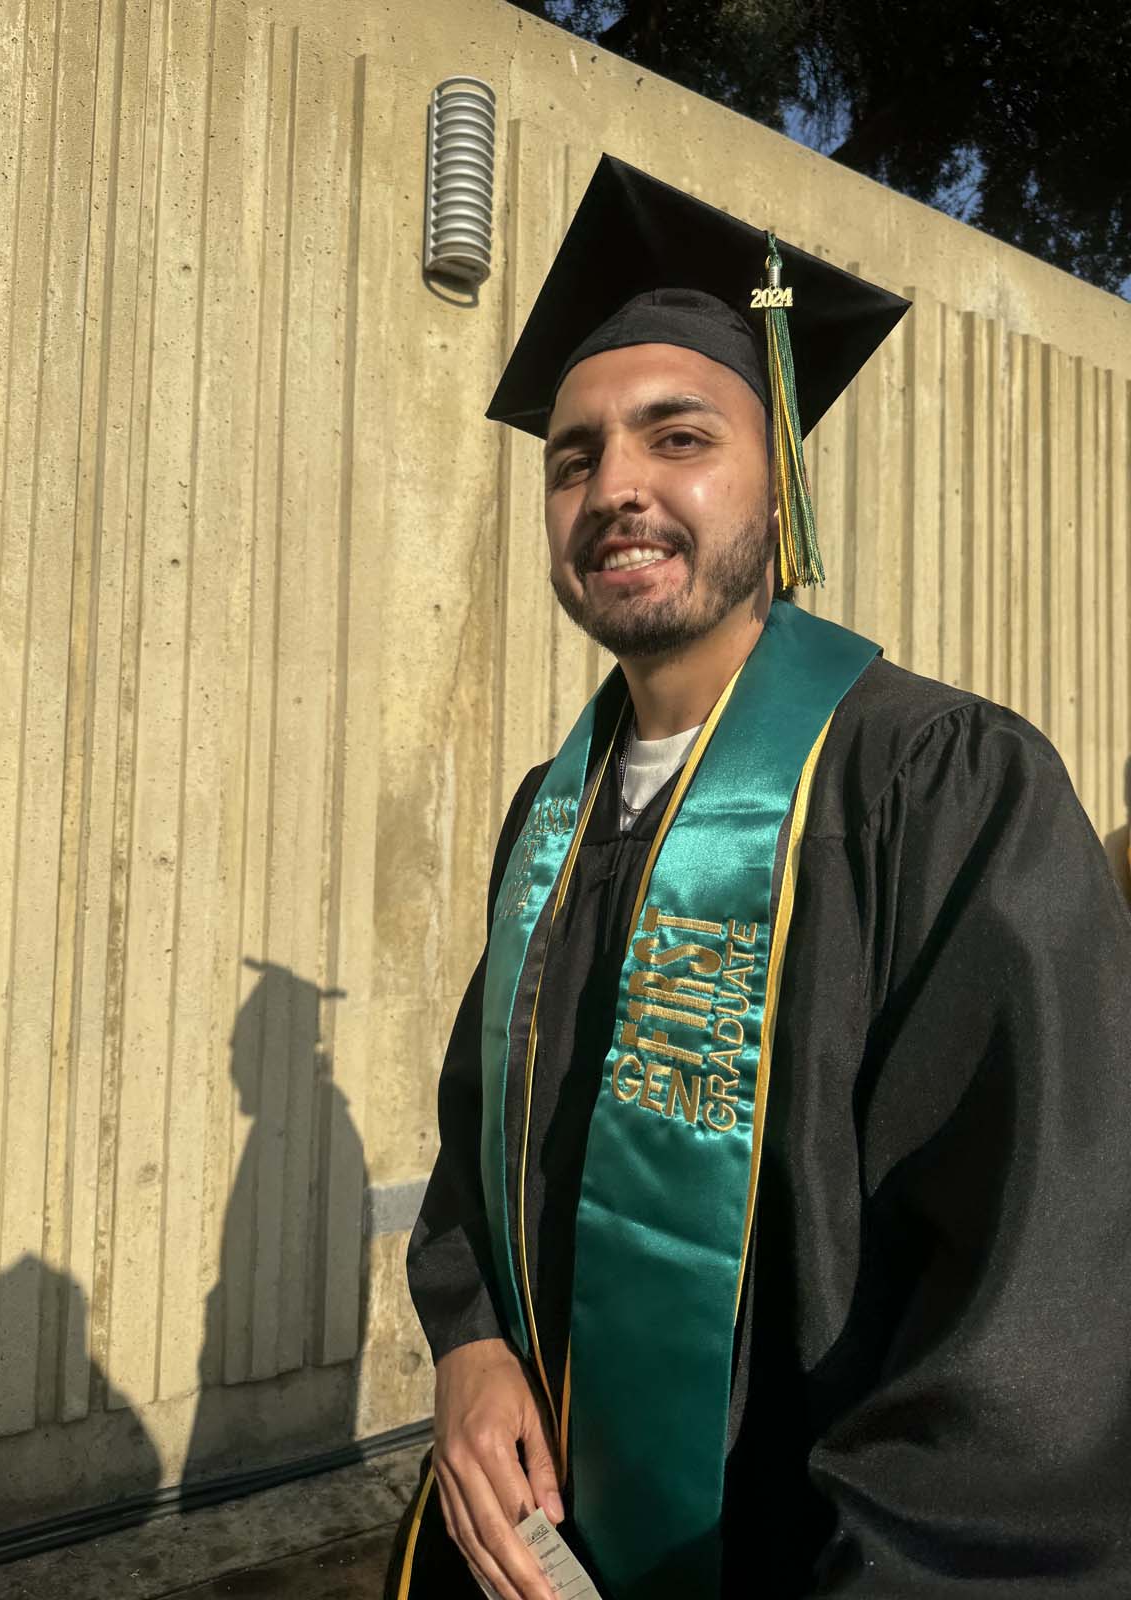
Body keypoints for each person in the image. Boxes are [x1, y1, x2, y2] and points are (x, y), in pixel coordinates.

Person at [385, 157, 1131, 1600]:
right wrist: (469, 1342)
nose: (618, 489)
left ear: (778, 477)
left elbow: (1033, 1333)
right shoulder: (553, 814)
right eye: (574, 453)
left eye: (679, 437)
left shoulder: (943, 791)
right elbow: (484, 1152)